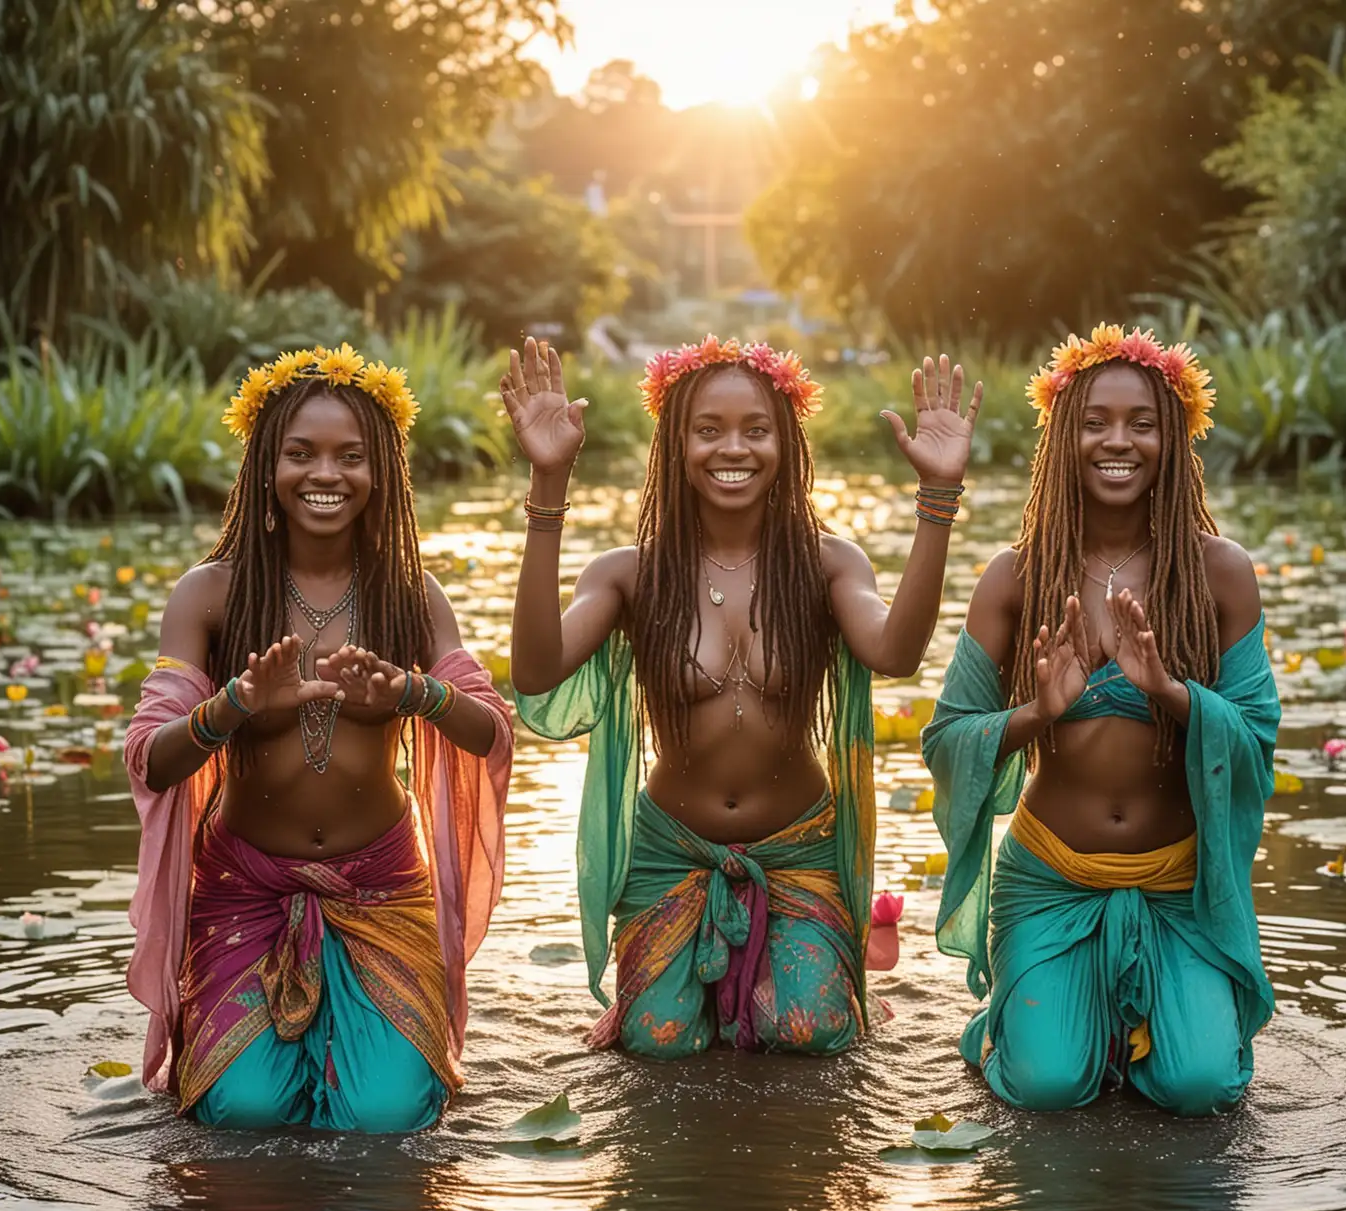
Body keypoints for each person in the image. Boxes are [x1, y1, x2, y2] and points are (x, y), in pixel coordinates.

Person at [502, 334, 981, 1057]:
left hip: (798, 851)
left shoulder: (826, 564)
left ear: (786, 444)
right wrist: (549, 486)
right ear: (676, 446)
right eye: (709, 431)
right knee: (657, 1043)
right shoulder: (630, 573)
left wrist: (937, 498)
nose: (734, 449)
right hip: (671, 852)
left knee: (811, 1031)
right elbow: (536, 672)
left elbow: (897, 653)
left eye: (756, 430)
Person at [124, 344, 513, 1132]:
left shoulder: (412, 593)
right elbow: (149, 756)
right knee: (244, 1113)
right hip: (244, 890)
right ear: (267, 467)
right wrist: (231, 704)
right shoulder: (212, 593)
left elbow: (489, 730)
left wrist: (414, 691)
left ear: (382, 475)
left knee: (386, 1117)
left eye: (350, 457)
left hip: (382, 886)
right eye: (300, 454)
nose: (324, 474)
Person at [922, 325, 1279, 1116]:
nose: (1118, 440)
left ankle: (1137, 1021)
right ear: (1063, 437)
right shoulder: (1017, 577)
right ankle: (1017, 1023)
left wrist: (1176, 694)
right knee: (1048, 1088)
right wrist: (1036, 710)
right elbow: (947, 738)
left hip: (1178, 883)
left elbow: (1255, 738)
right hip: (1051, 876)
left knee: (1201, 1087)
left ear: (1174, 437)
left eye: (1142, 423)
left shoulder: (1220, 573)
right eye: (1095, 422)